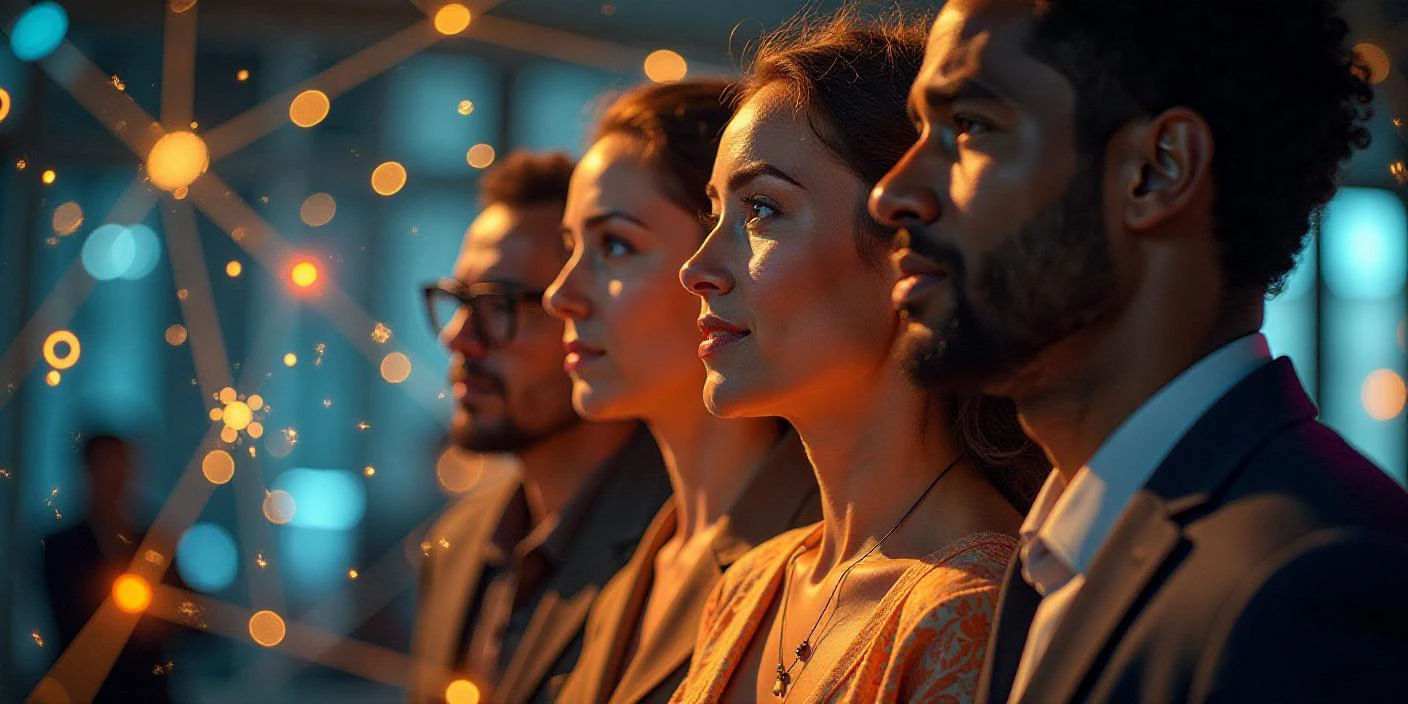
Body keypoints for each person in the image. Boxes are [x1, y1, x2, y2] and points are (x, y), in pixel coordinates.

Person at [868, 0, 1408, 701]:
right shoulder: (1060, 551)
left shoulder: (1311, 584)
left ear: (1156, 170)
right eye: (920, 130)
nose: (891, 193)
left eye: (969, 127)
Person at [673, 10, 1048, 702]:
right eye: (714, 213)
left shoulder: (969, 612)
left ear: (911, 242)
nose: (697, 268)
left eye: (761, 210)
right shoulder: (751, 586)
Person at [545, 80, 822, 704]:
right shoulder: (632, 569)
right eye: (571, 247)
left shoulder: (819, 562)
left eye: (614, 246)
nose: (559, 295)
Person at [410, 151, 671, 704]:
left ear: (586, 312)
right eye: (457, 299)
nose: (459, 338)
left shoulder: (676, 545)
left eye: (500, 303)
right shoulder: (455, 545)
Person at [42, 433, 174, 704]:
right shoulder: (62, 548)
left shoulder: (155, 546)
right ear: (88, 470)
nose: (117, 477)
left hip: (146, 693)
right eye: (107, 465)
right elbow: (67, 618)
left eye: (122, 465)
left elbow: (188, 616)